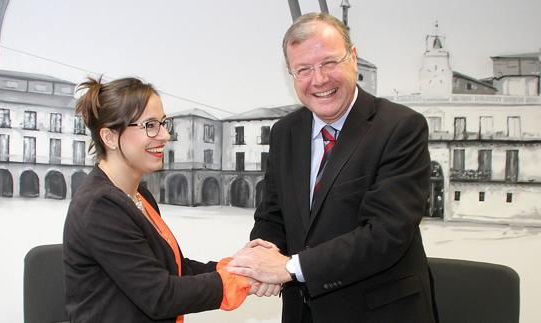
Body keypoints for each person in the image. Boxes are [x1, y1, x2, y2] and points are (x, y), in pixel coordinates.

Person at [228, 13, 438, 323]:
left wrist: (286, 268)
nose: (319, 80)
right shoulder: (285, 132)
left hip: (380, 313)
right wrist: (263, 251)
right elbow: (273, 215)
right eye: (304, 69)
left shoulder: (400, 127)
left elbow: (385, 234)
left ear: (352, 58)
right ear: (291, 74)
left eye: (329, 63)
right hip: (304, 313)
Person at [63, 77, 271, 323]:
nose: (165, 136)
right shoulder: (100, 206)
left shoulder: (139, 196)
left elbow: (175, 269)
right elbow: (160, 296)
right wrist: (243, 279)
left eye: (163, 123)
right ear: (109, 136)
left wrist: (239, 267)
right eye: (150, 125)